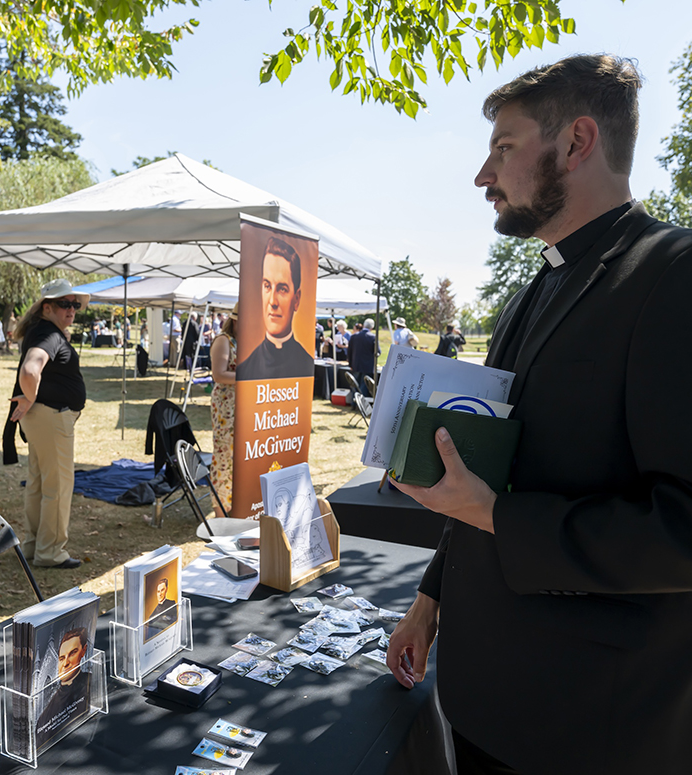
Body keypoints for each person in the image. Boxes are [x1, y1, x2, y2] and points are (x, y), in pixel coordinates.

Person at [385, 55, 692, 774]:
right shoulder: (531, 291)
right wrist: (431, 599)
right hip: (481, 704)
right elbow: (485, 477)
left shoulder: (674, 276)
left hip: (591, 728)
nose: (482, 175)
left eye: (504, 148)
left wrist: (499, 516)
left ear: (578, 142)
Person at [9, 279, 89, 569]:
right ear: (47, 307)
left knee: (40, 483)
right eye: (65, 304)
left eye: (75, 304)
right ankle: (50, 552)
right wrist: (30, 397)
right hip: (51, 417)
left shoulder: (43, 331)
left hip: (45, 416)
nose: (72, 310)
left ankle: (34, 546)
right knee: (57, 486)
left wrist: (31, 399)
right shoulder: (49, 335)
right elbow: (30, 369)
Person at [236, 237, 315, 380]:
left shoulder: (307, 366)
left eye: (282, 289)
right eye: (267, 286)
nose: (272, 301)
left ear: (296, 299)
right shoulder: (245, 369)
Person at [35, 627, 90, 742]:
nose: (65, 664)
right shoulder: (43, 719)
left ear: (83, 651)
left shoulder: (90, 681)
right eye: (61, 658)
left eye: (72, 653)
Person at [209, 304, 238, 514]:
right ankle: (221, 509)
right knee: (224, 454)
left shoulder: (248, 341)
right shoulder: (223, 340)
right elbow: (218, 375)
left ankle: (236, 503)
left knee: (238, 456)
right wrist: (250, 379)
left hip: (244, 405)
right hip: (227, 406)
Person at [347, 318, 379, 396]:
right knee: (364, 385)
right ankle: (361, 404)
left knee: (354, 383)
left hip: (356, 364)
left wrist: (350, 364)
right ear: (372, 328)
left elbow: (349, 351)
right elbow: (377, 352)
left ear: (364, 325)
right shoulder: (373, 337)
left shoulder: (354, 336)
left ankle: (353, 402)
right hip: (367, 365)